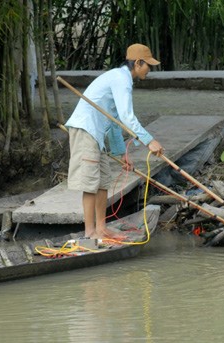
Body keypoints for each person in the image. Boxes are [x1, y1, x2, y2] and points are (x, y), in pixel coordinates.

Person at [65, 43, 164, 240]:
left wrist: (121, 154)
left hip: (96, 134)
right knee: (90, 183)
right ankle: (90, 233)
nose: (149, 70)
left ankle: (101, 228)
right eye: (148, 65)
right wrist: (149, 141)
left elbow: (115, 121)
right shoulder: (121, 79)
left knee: (103, 180)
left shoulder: (120, 78)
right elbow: (127, 118)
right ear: (138, 63)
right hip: (85, 130)